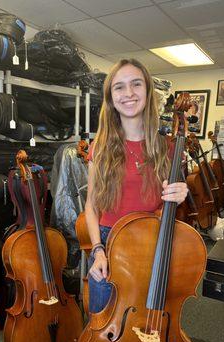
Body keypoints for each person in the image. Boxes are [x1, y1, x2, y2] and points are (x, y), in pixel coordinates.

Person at [85, 58, 188, 313]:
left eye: (136, 84)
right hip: (109, 245)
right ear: (111, 97)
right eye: (119, 87)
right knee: (105, 323)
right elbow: (91, 205)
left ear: (148, 91)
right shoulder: (99, 148)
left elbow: (172, 207)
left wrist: (181, 194)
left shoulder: (169, 149)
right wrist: (98, 249)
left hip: (153, 243)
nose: (128, 93)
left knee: (148, 319)